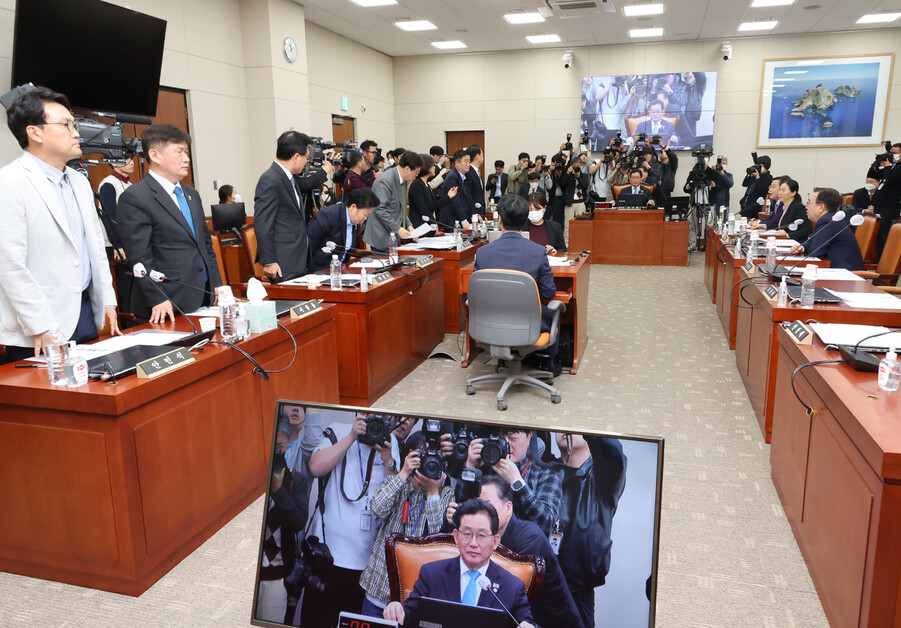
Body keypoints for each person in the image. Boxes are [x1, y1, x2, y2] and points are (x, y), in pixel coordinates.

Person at [0, 86, 120, 363]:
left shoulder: (78, 180)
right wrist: (39, 324)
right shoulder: (10, 182)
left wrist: (108, 300)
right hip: (38, 326)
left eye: (74, 124)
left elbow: (95, 249)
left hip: (84, 314)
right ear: (35, 132)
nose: (76, 132)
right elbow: (9, 265)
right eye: (66, 125)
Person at [303, 413, 401, 627]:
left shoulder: (390, 441)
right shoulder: (339, 429)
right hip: (329, 557)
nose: (376, 421)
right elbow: (315, 467)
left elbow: (393, 500)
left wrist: (388, 459)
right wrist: (351, 436)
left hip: (366, 566)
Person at [117, 124, 221, 323]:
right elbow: (139, 256)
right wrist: (157, 297)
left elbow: (205, 245)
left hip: (203, 296)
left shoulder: (191, 194)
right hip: (165, 303)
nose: (186, 158)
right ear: (155, 155)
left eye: (186, 152)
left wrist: (216, 285)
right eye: (179, 152)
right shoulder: (136, 197)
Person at [383, 499, 535, 628]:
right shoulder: (432, 574)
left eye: (481, 536)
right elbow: (409, 615)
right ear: (456, 536)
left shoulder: (512, 587)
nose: (473, 543)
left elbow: (526, 622)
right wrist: (397, 609)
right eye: (467, 534)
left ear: (495, 541)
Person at [359, 431, 454, 618]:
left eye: (431, 458)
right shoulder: (397, 483)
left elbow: (438, 535)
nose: (425, 464)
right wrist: (403, 473)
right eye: (421, 457)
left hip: (413, 597)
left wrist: (433, 492)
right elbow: (377, 508)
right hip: (378, 588)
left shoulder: (445, 493)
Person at [478, 475, 584, 628]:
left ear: (508, 507)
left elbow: (504, 593)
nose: (481, 512)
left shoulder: (531, 539)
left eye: (487, 505)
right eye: (478, 506)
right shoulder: (486, 536)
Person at [474, 194, 560, 375]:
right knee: (556, 311)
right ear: (524, 219)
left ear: (499, 220)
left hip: (490, 322)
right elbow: (548, 293)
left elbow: (476, 296)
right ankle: (550, 364)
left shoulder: (482, 253)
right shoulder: (537, 252)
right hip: (528, 324)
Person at [554, 433, 627, 628]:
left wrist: (587, 426)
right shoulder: (545, 473)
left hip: (578, 591)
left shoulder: (602, 481)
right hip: (540, 585)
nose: (566, 428)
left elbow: (613, 455)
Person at [252, 131, 332, 283]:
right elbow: (263, 223)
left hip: (297, 259)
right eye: (306, 158)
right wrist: (269, 261)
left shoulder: (290, 178)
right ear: (296, 156)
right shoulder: (270, 179)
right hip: (283, 262)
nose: (306, 162)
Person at [464, 427, 562, 535]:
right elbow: (463, 511)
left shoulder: (545, 476)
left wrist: (517, 483)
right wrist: (470, 468)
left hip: (523, 546)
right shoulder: (482, 469)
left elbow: (546, 523)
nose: (505, 444)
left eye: (512, 438)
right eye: (499, 438)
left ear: (529, 437)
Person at [790, 188, 865, 271]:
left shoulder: (828, 221)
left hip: (845, 275)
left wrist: (808, 247)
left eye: (809, 203)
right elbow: (813, 241)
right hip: (835, 270)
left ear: (821, 207)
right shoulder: (830, 218)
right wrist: (802, 247)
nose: (806, 207)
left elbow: (815, 252)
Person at [306, 187, 378, 270]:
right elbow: (308, 248)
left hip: (342, 269)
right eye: (365, 215)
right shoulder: (326, 217)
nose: (365, 218)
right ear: (353, 207)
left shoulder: (355, 222)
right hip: (321, 271)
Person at [366, 151, 423, 254]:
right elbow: (380, 209)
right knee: (384, 268)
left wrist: (409, 225)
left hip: (393, 235)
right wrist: (398, 229)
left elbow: (402, 207)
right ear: (407, 169)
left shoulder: (403, 180)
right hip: (381, 236)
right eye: (417, 172)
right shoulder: (385, 181)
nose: (417, 176)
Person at [870, 144, 901, 259]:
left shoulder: (898, 168)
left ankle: (886, 262)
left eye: (894, 153)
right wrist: (876, 164)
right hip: (880, 206)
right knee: (878, 237)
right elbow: (872, 175)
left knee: (885, 236)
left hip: (889, 207)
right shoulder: (893, 166)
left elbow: (891, 180)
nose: (892, 155)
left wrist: (887, 167)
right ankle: (879, 260)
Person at [409, 154, 456, 229]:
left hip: (428, 225)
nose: (434, 167)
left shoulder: (425, 184)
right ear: (426, 167)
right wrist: (434, 223)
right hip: (419, 226)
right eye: (432, 165)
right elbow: (422, 209)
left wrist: (448, 196)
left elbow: (433, 205)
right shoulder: (416, 184)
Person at [440, 149, 473, 229]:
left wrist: (473, 215)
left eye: (469, 162)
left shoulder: (466, 176)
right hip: (452, 220)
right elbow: (455, 201)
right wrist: (463, 220)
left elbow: (468, 198)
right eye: (465, 162)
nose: (468, 164)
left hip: (460, 218)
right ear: (457, 163)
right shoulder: (452, 177)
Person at [464, 145, 486, 220]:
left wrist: (483, 215)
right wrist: (474, 214)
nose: (483, 157)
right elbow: (468, 196)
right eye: (482, 155)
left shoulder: (477, 172)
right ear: (477, 156)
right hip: (473, 215)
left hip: (480, 213)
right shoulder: (468, 172)